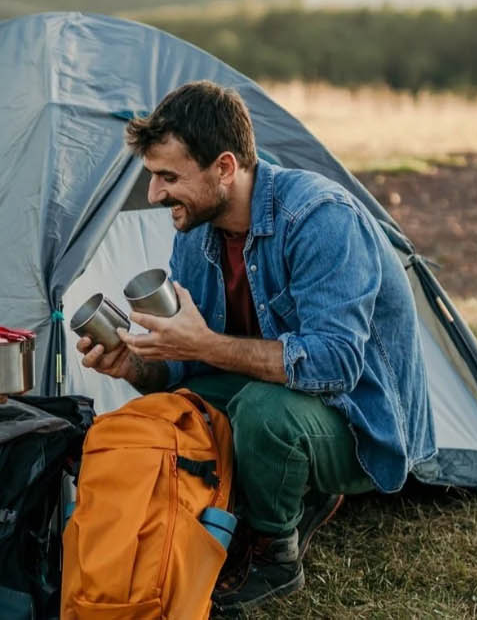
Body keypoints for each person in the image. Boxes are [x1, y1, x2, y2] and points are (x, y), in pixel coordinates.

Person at [76, 81, 436, 611]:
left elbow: (335, 364)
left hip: (359, 421)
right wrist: (136, 366)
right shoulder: (197, 230)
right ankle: (248, 501)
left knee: (264, 415)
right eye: (152, 176)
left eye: (168, 177)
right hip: (271, 394)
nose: (154, 195)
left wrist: (205, 344)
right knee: (165, 410)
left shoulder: (319, 218)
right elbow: (189, 367)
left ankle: (275, 552)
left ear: (225, 168)